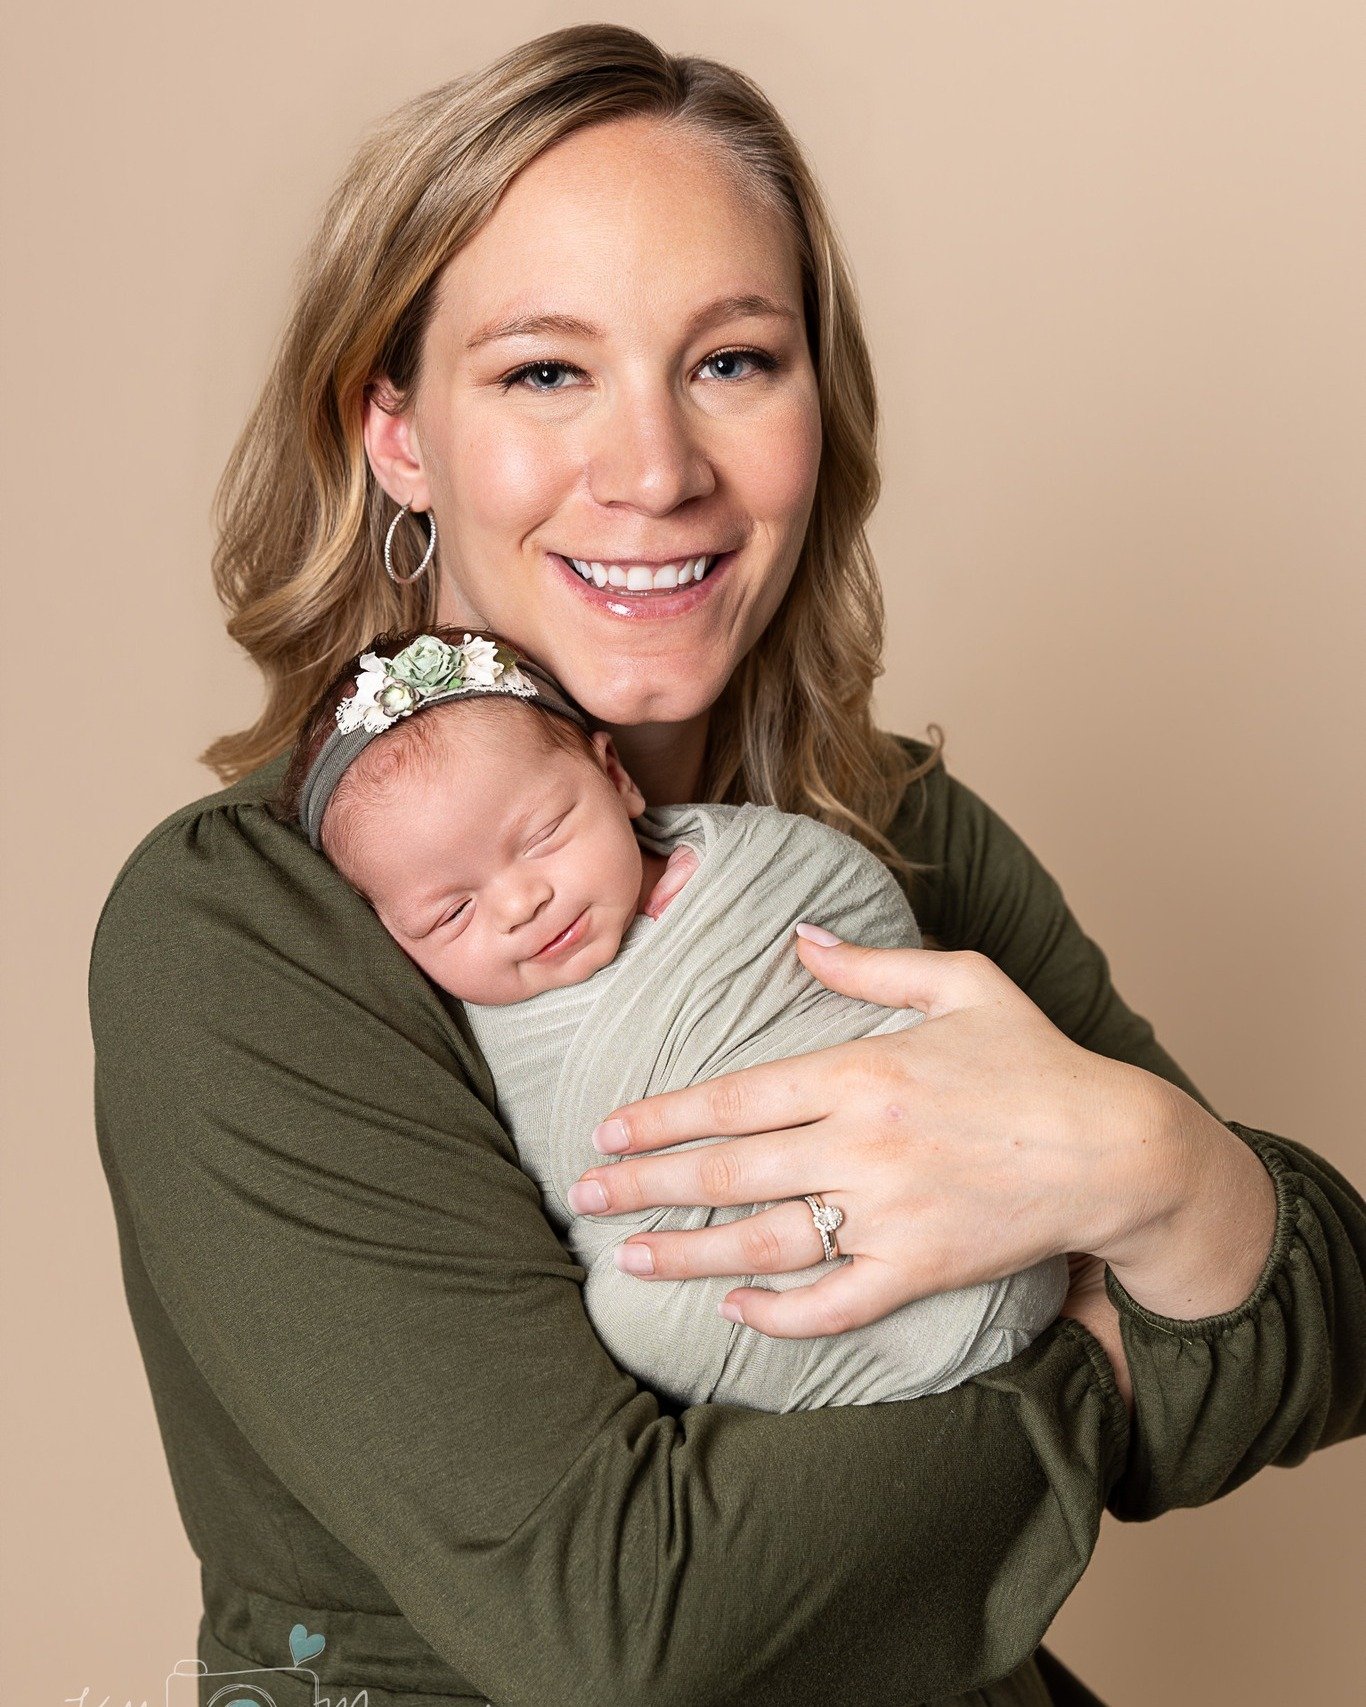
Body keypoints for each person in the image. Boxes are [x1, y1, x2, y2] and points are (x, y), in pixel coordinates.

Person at [87, 24, 1365, 1707]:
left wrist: (1136, 1151)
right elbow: (625, 1626)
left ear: (817, 407)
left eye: (732, 362)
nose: (655, 471)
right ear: (396, 432)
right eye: (546, 372)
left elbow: (1322, 1314)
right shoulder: (245, 930)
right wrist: (1086, 1337)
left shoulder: (887, 828)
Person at [275, 622, 1068, 1414]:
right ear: (388, 943)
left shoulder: (757, 868)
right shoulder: (448, 1040)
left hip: (948, 1196)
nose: (520, 903)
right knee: (636, 1309)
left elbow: (863, 925)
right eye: (451, 913)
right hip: (725, 1290)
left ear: (613, 775)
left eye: (545, 833)